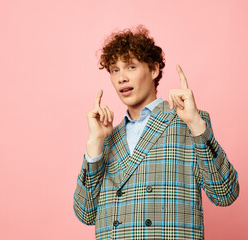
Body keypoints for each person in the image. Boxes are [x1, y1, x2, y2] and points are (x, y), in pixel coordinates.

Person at [73, 25, 239, 240]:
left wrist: (195, 123)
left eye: (131, 67)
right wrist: (94, 145)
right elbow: (86, 214)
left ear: (154, 69)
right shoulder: (107, 138)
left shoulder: (186, 123)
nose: (121, 77)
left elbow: (225, 193)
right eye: (114, 70)